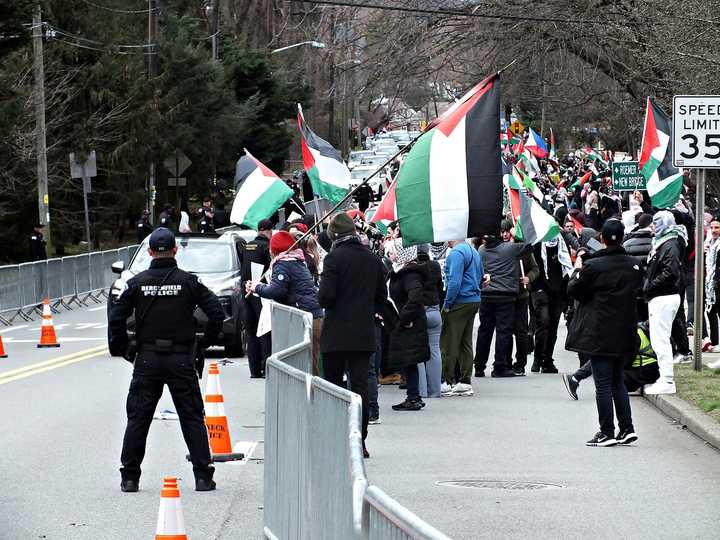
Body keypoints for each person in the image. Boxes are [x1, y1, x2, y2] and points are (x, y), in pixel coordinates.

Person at [108, 228, 225, 492]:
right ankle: (203, 476)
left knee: (138, 418)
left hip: (147, 359)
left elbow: (116, 317)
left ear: (150, 252)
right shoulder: (188, 282)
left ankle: (129, 477)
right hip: (181, 358)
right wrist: (203, 343)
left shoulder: (137, 283)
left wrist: (124, 348)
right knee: (192, 417)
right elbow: (216, 313)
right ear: (175, 250)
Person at [565, 219, 643, 446]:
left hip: (600, 331)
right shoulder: (633, 264)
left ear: (602, 238)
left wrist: (578, 267)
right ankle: (626, 428)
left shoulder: (593, 266)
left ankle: (606, 431)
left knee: (604, 384)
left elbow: (574, 290)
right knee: (618, 380)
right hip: (625, 330)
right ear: (623, 236)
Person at [318, 212, 387, 458]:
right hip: (363, 332)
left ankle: (336, 438)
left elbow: (325, 296)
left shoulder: (333, 259)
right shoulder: (372, 259)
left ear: (334, 236)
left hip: (336, 333)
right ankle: (360, 441)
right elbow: (381, 296)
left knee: (334, 387)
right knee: (360, 389)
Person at [246, 229, 323, 374]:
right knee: (309, 364)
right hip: (312, 316)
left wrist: (257, 287)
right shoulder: (296, 261)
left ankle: (307, 396)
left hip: (304, 318)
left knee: (305, 368)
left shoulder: (283, 264)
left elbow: (276, 291)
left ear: (274, 250)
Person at [474, 229, 529, 378]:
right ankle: (500, 366)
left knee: (484, 330)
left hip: (486, 294)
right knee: (503, 331)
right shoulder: (510, 248)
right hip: (506, 296)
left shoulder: (481, 250)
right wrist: (517, 232)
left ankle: (479, 366)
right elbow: (530, 244)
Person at [643, 211, 686, 395]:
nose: (653, 226)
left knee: (661, 340)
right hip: (661, 295)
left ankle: (667, 379)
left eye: (656, 222)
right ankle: (664, 377)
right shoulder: (665, 242)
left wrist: (649, 287)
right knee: (659, 339)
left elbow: (670, 272)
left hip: (663, 296)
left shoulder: (671, 243)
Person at [562, 321, 660, 400]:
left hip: (644, 372)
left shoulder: (632, 334)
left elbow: (627, 361)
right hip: (643, 370)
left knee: (607, 375)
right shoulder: (634, 329)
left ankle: (576, 378)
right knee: (604, 358)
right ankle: (576, 378)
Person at [387, 242, 431, 411]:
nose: (390, 254)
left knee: (410, 359)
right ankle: (414, 396)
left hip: (409, 323)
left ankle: (413, 397)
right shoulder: (401, 271)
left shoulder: (410, 274)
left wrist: (404, 318)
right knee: (409, 360)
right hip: (407, 321)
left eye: (393, 251)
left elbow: (415, 296)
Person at [440, 239, 483, 397]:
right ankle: (465, 381)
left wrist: (447, 304)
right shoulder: (473, 251)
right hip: (473, 299)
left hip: (459, 301)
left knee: (448, 341)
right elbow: (481, 275)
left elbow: (454, 282)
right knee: (465, 342)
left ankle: (446, 380)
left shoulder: (456, 253)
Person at [530, 235, 572, 373]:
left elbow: (567, 267)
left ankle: (547, 359)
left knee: (553, 326)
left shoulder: (562, 244)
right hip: (540, 290)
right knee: (543, 322)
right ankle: (537, 359)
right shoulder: (536, 244)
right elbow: (532, 265)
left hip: (558, 291)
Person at [240, 219, 273, 378]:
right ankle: (266, 368)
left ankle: (254, 370)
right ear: (269, 231)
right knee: (264, 331)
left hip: (246, 291)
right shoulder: (267, 247)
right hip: (260, 293)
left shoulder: (248, 245)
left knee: (251, 332)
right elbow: (270, 270)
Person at [417, 243, 444, 398]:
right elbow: (440, 287)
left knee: (419, 351)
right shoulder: (434, 267)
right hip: (434, 310)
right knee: (434, 349)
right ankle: (435, 390)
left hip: (419, 310)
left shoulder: (413, 268)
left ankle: (421, 391)